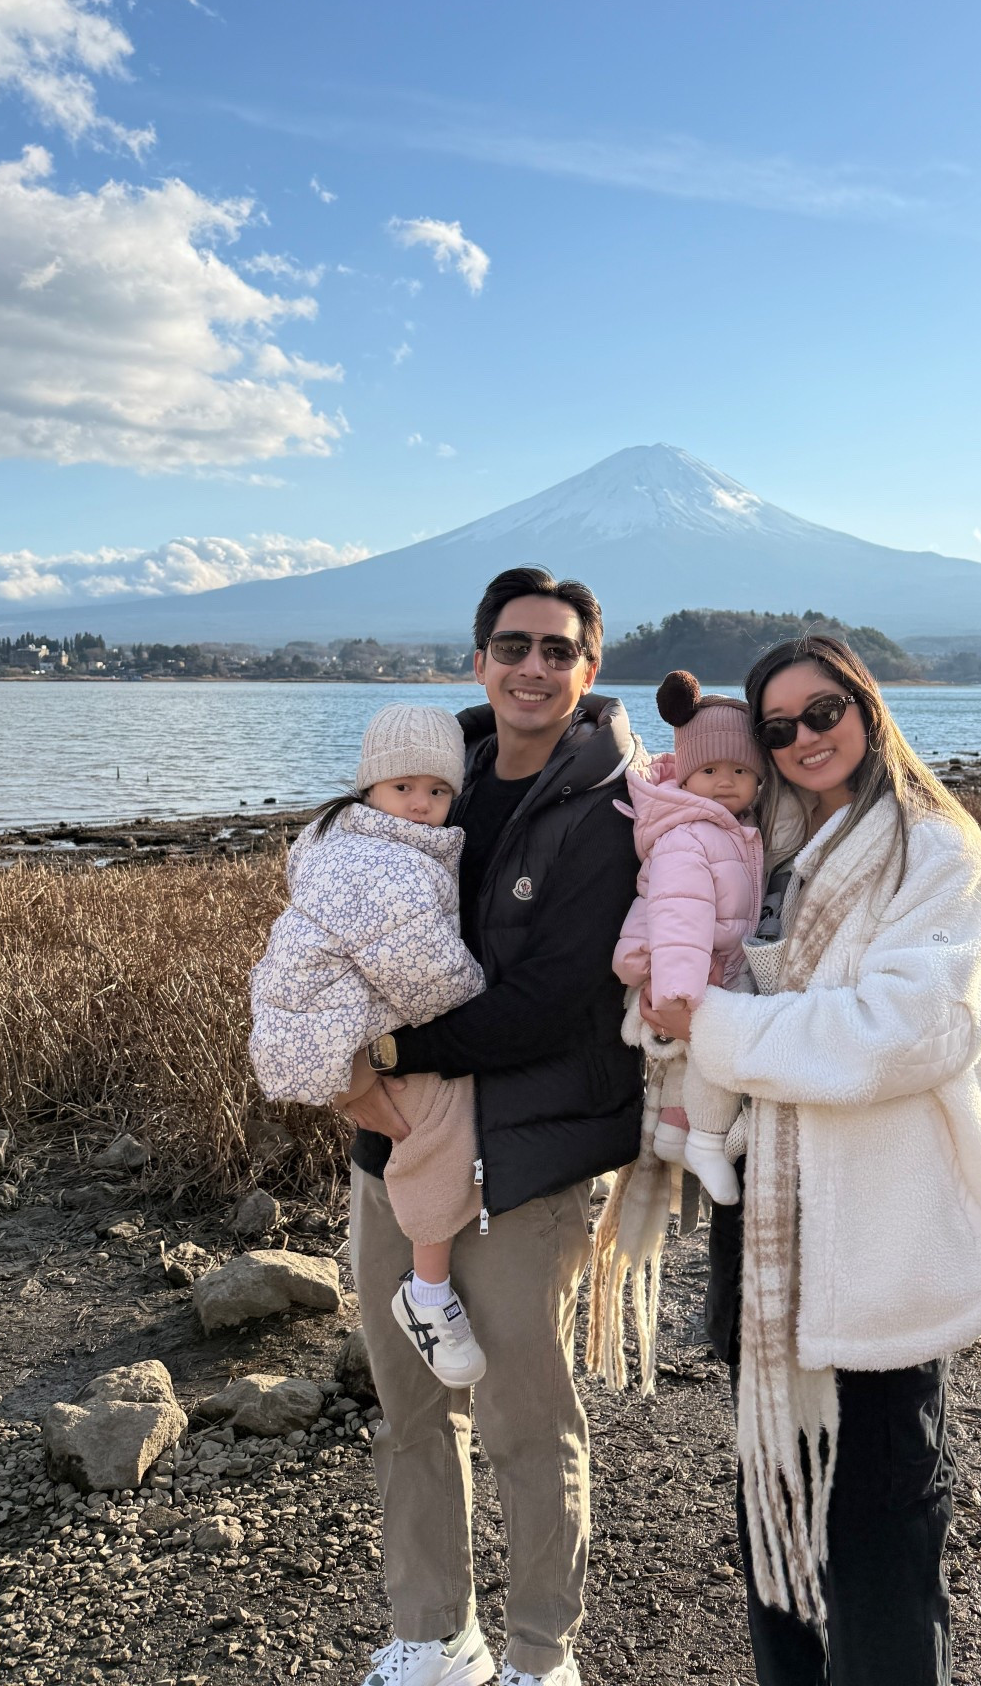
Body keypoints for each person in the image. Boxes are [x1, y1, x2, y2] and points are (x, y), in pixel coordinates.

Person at [641, 632, 981, 1685]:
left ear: (867, 706)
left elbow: (913, 1026)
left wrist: (717, 1026)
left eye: (825, 711)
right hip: (771, 1225)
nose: (807, 737)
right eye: (780, 726)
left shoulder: (935, 847)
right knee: (774, 1500)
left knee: (878, 1522)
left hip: (878, 1230)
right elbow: (667, 845)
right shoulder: (769, 840)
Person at [341, 568, 644, 1686]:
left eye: (556, 649)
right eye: (511, 644)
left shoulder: (616, 807)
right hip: (399, 1149)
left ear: (588, 668)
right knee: (410, 1407)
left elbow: (552, 998)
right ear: (476, 660)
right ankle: (433, 1633)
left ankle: (539, 1654)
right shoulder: (422, 785)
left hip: (528, 1155)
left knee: (525, 1418)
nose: (532, 665)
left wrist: (387, 1053)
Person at [248, 703, 489, 1387]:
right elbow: (430, 979)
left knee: (415, 1127)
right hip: (335, 1029)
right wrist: (485, 999)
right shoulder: (390, 867)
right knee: (438, 1128)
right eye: (403, 788)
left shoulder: (339, 842)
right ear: (369, 791)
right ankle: (430, 1291)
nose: (421, 804)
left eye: (438, 791)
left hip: (315, 1022)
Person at [612, 670, 764, 1205]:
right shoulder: (690, 835)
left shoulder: (727, 825)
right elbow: (680, 917)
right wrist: (680, 994)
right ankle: (703, 1140)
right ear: (685, 771)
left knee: (691, 1069)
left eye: (741, 769)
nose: (726, 780)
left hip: (707, 966)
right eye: (710, 768)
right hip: (686, 975)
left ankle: (678, 1134)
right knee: (713, 1057)